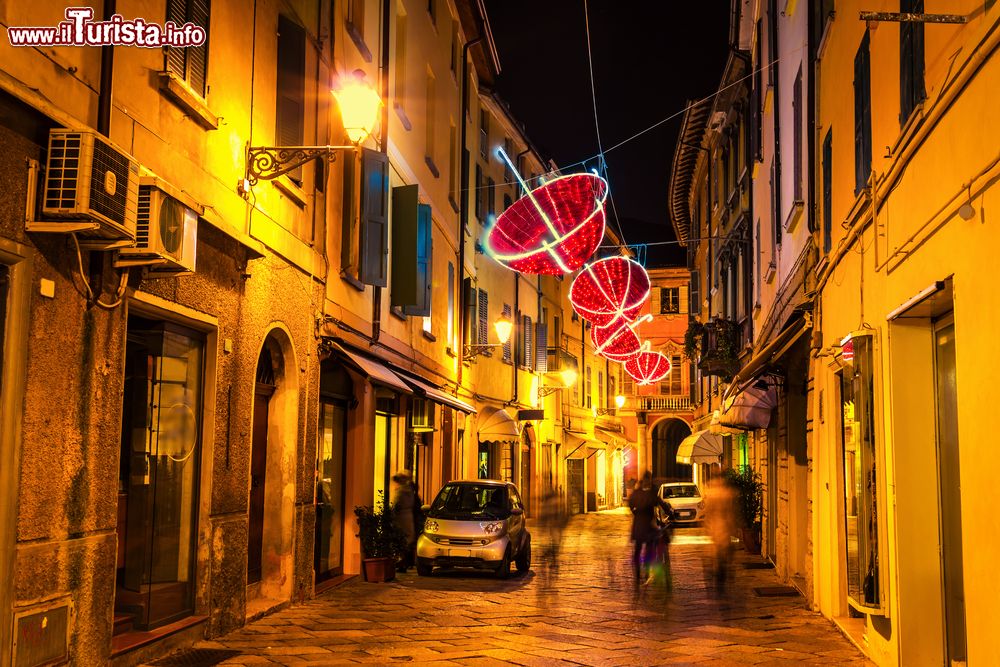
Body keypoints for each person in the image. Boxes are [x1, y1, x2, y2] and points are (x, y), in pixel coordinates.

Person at [627, 470, 668, 585]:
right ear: (646, 480)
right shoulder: (648, 493)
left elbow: (631, 504)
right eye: (647, 480)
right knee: (645, 549)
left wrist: (635, 512)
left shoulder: (638, 493)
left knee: (641, 549)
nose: (648, 482)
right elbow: (660, 503)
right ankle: (641, 572)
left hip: (641, 525)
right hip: (646, 525)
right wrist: (669, 511)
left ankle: (641, 573)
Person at [391, 470, 419, 572]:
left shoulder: (401, 491)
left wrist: (392, 515)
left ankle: (402, 563)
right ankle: (406, 562)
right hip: (408, 516)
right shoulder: (410, 491)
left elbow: (396, 505)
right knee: (407, 539)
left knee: (401, 539)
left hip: (401, 517)